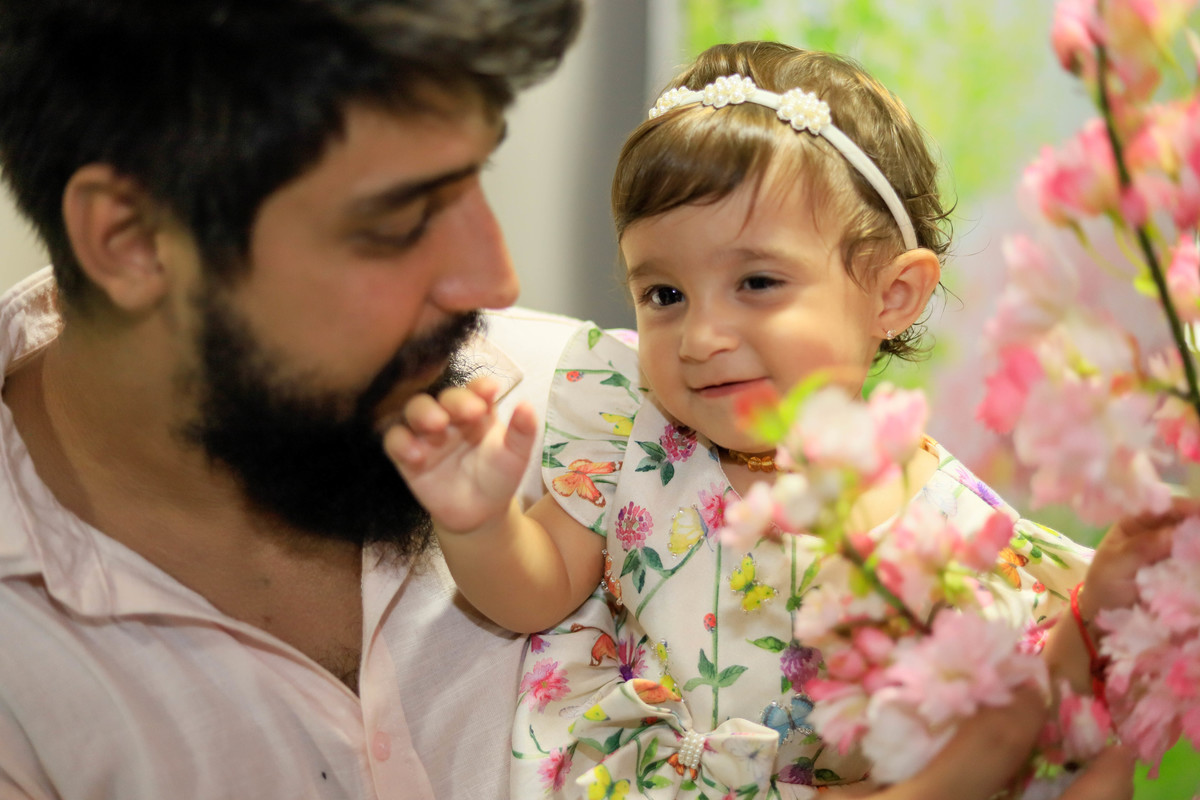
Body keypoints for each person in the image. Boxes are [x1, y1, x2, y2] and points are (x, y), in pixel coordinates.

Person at [389, 42, 1162, 799]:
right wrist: (479, 523)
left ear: (892, 296)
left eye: (757, 282)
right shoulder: (631, 431)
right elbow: (536, 594)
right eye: (664, 295)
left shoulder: (946, 532)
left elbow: (1026, 727)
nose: (700, 338)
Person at [0, 2, 589, 798]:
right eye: (401, 221)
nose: (495, 282)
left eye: (477, 177)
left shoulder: (600, 415)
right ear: (131, 241)